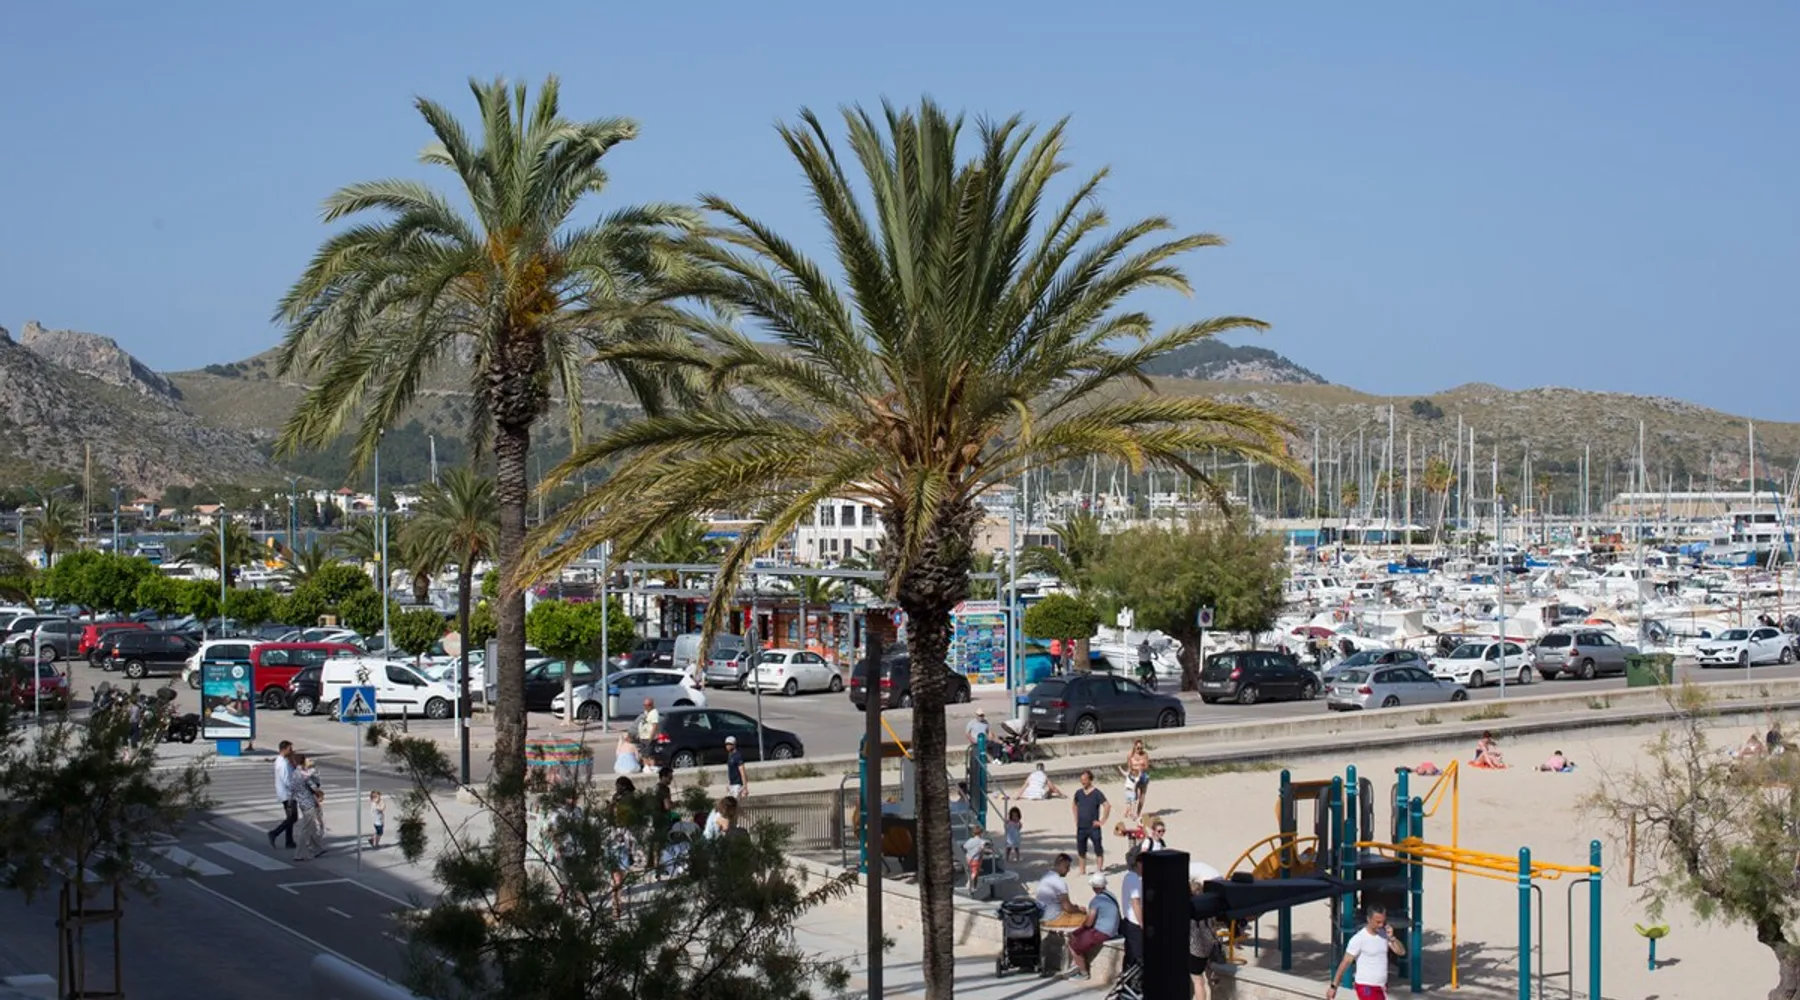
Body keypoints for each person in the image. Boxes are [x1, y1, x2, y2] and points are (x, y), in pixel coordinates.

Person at [1327, 907, 1406, 1000]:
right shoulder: (1359, 939)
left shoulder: (1384, 935)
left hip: (1381, 986)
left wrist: (1392, 938)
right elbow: (1345, 962)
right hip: (1365, 986)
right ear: (1369, 919)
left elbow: (1401, 952)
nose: (1381, 925)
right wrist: (1334, 986)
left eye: (1383, 922)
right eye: (1378, 922)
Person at [1067, 872, 1121, 980]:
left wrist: (1081, 928)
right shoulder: (1111, 895)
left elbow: (1089, 922)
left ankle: (1083, 973)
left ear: (1094, 887)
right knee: (1078, 936)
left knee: (1073, 946)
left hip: (1102, 932)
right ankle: (1078, 963)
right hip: (1114, 930)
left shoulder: (1096, 900)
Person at [1071, 770, 1110, 875]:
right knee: (1081, 850)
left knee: (1098, 848)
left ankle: (1099, 870)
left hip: (1093, 827)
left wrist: (1102, 821)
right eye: (1081, 780)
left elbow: (1107, 805)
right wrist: (1076, 818)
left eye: (1085, 780)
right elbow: (1074, 805)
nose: (1083, 782)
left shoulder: (1097, 793)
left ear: (1090, 780)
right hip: (1081, 826)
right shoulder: (1079, 793)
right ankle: (1082, 871)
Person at [1189, 870, 1220, 999]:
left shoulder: (1191, 909)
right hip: (1209, 945)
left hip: (1195, 949)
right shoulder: (1208, 907)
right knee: (1205, 976)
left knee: (1198, 981)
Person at [293, 754, 325, 862]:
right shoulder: (303, 774)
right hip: (308, 803)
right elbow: (314, 787)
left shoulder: (294, 774)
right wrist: (320, 794)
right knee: (306, 828)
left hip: (301, 802)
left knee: (311, 827)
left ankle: (317, 849)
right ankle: (299, 854)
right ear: (303, 762)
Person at [267, 741, 298, 851]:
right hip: (287, 794)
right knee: (293, 817)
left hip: (287, 793)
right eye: (290, 749)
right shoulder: (282, 763)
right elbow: (286, 780)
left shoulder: (284, 761)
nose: (292, 751)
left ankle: (289, 841)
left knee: (290, 817)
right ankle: (274, 833)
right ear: (283, 749)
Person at [1033, 853, 1082, 921]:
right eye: (1067, 867)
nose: (1069, 870)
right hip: (1051, 916)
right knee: (1083, 918)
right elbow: (1068, 908)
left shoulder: (1046, 876)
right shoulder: (1059, 882)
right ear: (1061, 864)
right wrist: (1080, 910)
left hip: (1041, 911)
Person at [1119, 850, 1145, 966]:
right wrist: (1142, 923)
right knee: (1138, 957)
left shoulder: (1129, 877)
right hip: (1135, 924)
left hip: (1129, 922)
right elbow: (1136, 903)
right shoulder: (1134, 880)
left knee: (1130, 955)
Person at [1125, 738, 1152, 812]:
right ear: (1134, 747)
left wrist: (1141, 769)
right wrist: (1131, 772)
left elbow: (1147, 766)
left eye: (1141, 748)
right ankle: (1132, 811)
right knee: (1134, 795)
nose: (1139, 750)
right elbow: (1129, 766)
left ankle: (1138, 812)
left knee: (1142, 795)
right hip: (1134, 776)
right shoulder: (1130, 755)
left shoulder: (1145, 754)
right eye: (1138, 748)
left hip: (1142, 776)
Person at [963, 824, 992, 889]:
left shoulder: (970, 840)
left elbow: (965, 846)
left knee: (971, 871)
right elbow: (983, 848)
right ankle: (970, 883)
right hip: (976, 859)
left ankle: (972, 884)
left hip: (968, 858)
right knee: (975, 872)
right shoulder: (981, 841)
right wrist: (990, 851)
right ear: (980, 833)